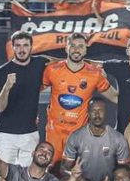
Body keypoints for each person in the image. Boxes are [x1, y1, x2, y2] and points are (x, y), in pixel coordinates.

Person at [41, 33, 118, 165]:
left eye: (80, 46)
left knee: (75, 176)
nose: (76, 50)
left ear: (86, 49)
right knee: (51, 174)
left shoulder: (95, 73)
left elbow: (115, 97)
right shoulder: (52, 70)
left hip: (78, 136)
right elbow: (32, 91)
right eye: (73, 46)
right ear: (66, 48)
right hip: (54, 133)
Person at [0, 32, 49, 168]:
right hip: (5, 133)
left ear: (31, 47)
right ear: (12, 47)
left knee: (30, 177)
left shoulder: (39, 63)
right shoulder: (3, 71)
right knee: (4, 178)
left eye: (25, 45)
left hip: (30, 132)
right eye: (17, 46)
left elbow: (59, 63)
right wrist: (7, 87)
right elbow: (0, 107)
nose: (21, 49)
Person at [62, 98, 130, 181]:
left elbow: (125, 170)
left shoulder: (118, 138)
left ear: (106, 112)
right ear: (88, 113)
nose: (97, 114)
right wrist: (76, 177)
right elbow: (64, 168)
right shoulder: (76, 137)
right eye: (93, 111)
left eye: (100, 111)